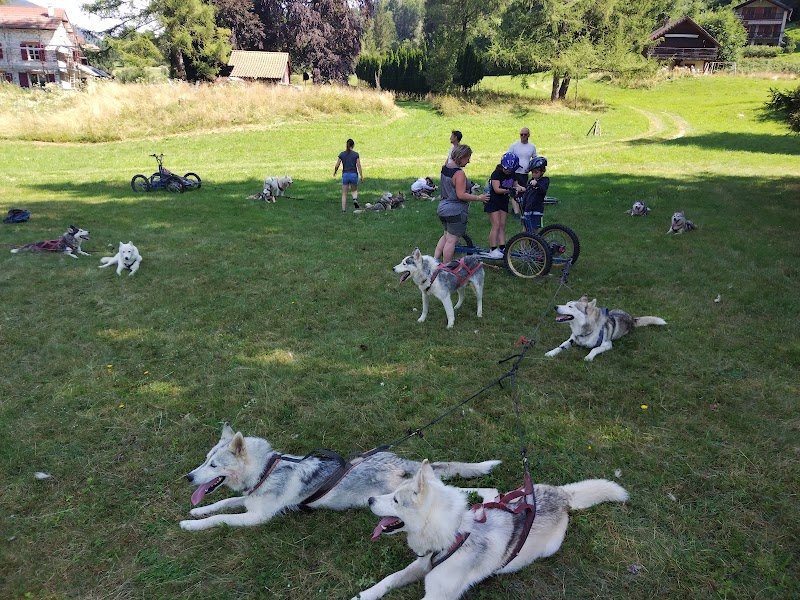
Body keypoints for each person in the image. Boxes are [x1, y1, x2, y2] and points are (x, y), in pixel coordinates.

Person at [434, 144, 489, 263]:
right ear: (461, 156)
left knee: (446, 236)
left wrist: (470, 184)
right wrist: (479, 198)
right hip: (455, 210)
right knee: (451, 241)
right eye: (468, 158)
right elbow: (461, 195)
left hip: (442, 208)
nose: (468, 161)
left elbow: (452, 184)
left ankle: (435, 260)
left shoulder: (445, 168)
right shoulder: (459, 174)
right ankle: (446, 268)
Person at [483, 152, 526, 259]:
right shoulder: (496, 174)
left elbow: (516, 184)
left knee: (502, 224)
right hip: (493, 201)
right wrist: (509, 190)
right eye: (507, 169)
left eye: (511, 170)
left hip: (503, 202)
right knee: (496, 224)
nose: (508, 171)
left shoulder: (512, 174)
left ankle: (502, 247)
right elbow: (497, 189)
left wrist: (521, 188)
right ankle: (492, 249)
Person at [507, 127, 537, 214]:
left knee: (523, 191)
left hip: (524, 173)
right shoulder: (514, 145)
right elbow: (508, 156)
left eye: (525, 134)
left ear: (529, 135)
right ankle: (515, 211)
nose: (523, 136)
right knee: (514, 191)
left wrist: (531, 169)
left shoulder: (532, 147)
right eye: (521, 134)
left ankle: (520, 208)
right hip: (515, 172)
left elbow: (534, 159)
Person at [519, 156, 549, 232]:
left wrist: (537, 184)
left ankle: (535, 243)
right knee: (525, 229)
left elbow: (543, 190)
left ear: (542, 171)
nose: (534, 174)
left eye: (536, 172)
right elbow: (527, 193)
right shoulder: (530, 181)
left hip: (537, 209)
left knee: (535, 229)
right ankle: (523, 244)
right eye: (532, 172)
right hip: (528, 209)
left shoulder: (544, 180)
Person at [333, 138, 363, 212]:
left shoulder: (342, 154)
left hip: (345, 175)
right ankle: (355, 199)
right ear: (353, 145)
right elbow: (359, 165)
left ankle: (343, 210)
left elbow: (337, 165)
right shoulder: (356, 154)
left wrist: (335, 172)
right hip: (353, 175)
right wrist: (361, 176)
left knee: (344, 193)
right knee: (354, 190)